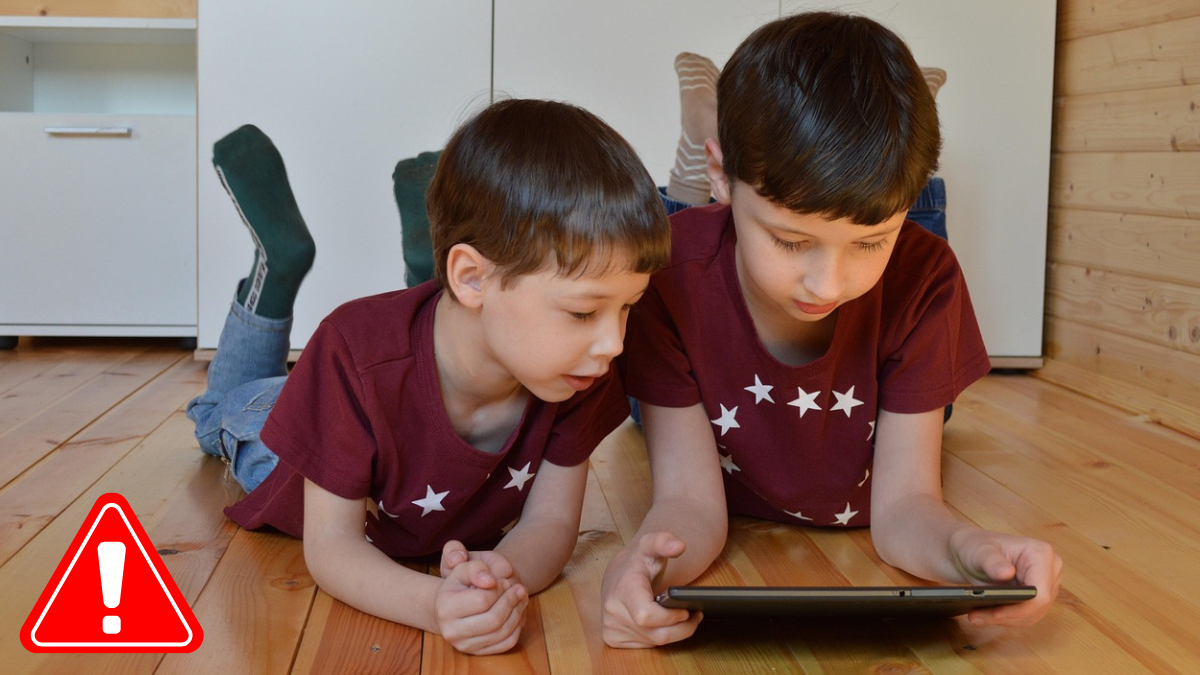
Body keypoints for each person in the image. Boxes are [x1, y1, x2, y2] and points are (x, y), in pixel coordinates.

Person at [601, 12, 1063, 648]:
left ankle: (887, 151)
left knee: (911, 228)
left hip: (859, 361)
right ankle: (702, 145)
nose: (826, 284)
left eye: (870, 241)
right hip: (697, 331)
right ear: (726, 176)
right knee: (659, 233)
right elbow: (691, 502)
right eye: (791, 240)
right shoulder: (670, 279)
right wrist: (650, 567)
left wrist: (970, 549)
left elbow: (902, 508)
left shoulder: (923, 279)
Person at [185, 99, 672, 655]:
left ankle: (426, 276)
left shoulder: (578, 368)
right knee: (219, 411)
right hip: (294, 432)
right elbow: (331, 545)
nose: (614, 343)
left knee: (418, 354)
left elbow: (553, 523)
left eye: (629, 307)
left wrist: (493, 580)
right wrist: (434, 605)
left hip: (415, 374)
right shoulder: (351, 351)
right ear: (474, 278)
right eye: (584, 312)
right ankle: (277, 264)